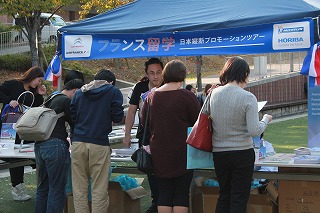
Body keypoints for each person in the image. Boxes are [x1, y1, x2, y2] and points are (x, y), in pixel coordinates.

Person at [209, 56, 273, 213]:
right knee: (239, 197)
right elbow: (254, 130)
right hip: (242, 153)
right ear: (244, 73)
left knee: (224, 195)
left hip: (219, 153)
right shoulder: (248, 97)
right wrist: (265, 119)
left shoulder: (214, 93)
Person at [141, 60, 200, 213]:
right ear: (183, 76)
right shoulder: (187, 96)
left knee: (164, 193)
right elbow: (198, 123)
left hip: (159, 153)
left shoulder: (151, 97)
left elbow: (144, 123)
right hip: (183, 152)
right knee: (181, 193)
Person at [70, 69, 124, 213]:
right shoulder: (113, 91)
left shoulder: (80, 92)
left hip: (78, 143)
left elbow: (72, 117)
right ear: (111, 82)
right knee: (99, 188)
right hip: (99, 143)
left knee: (79, 188)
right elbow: (118, 116)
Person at [34, 79, 84, 213]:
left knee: (43, 188)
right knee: (57, 190)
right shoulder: (66, 101)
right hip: (55, 146)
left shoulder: (51, 97)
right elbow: (75, 122)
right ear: (76, 90)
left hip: (40, 145)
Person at [123, 57, 164, 213]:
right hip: (146, 136)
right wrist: (127, 134)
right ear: (146, 74)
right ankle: (156, 200)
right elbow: (131, 111)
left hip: (165, 137)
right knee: (150, 169)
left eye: (158, 72)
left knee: (164, 171)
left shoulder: (168, 86)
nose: (155, 76)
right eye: (151, 73)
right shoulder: (140, 87)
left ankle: (161, 201)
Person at [0, 66, 46, 201]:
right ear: (32, 76)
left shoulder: (33, 91)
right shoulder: (13, 84)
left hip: (26, 128)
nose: (39, 83)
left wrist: (40, 94)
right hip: (10, 127)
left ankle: (22, 188)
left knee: (25, 156)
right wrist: (9, 100)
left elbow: (36, 106)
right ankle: (17, 188)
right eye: (39, 80)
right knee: (15, 157)